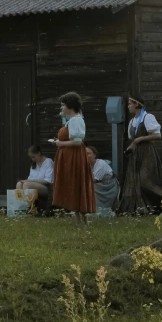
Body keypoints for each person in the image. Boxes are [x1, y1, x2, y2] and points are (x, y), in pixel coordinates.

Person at [115, 95, 162, 215]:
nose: (128, 106)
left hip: (147, 152)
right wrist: (130, 148)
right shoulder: (132, 121)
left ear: (136, 104)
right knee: (134, 182)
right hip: (136, 154)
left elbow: (157, 135)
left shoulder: (147, 117)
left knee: (146, 180)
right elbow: (133, 140)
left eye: (130, 104)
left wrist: (139, 139)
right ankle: (143, 209)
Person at [51, 92, 95, 225]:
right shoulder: (71, 120)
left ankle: (82, 220)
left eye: (63, 105)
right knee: (72, 183)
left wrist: (60, 144)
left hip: (74, 157)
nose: (61, 108)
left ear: (70, 106)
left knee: (75, 183)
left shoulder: (76, 120)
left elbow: (77, 142)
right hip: (69, 155)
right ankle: (78, 218)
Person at [86, 146, 119, 217]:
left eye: (88, 153)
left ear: (94, 155)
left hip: (108, 187)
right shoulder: (83, 165)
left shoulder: (101, 163)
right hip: (97, 185)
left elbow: (93, 180)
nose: (86, 156)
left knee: (89, 189)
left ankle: (99, 211)